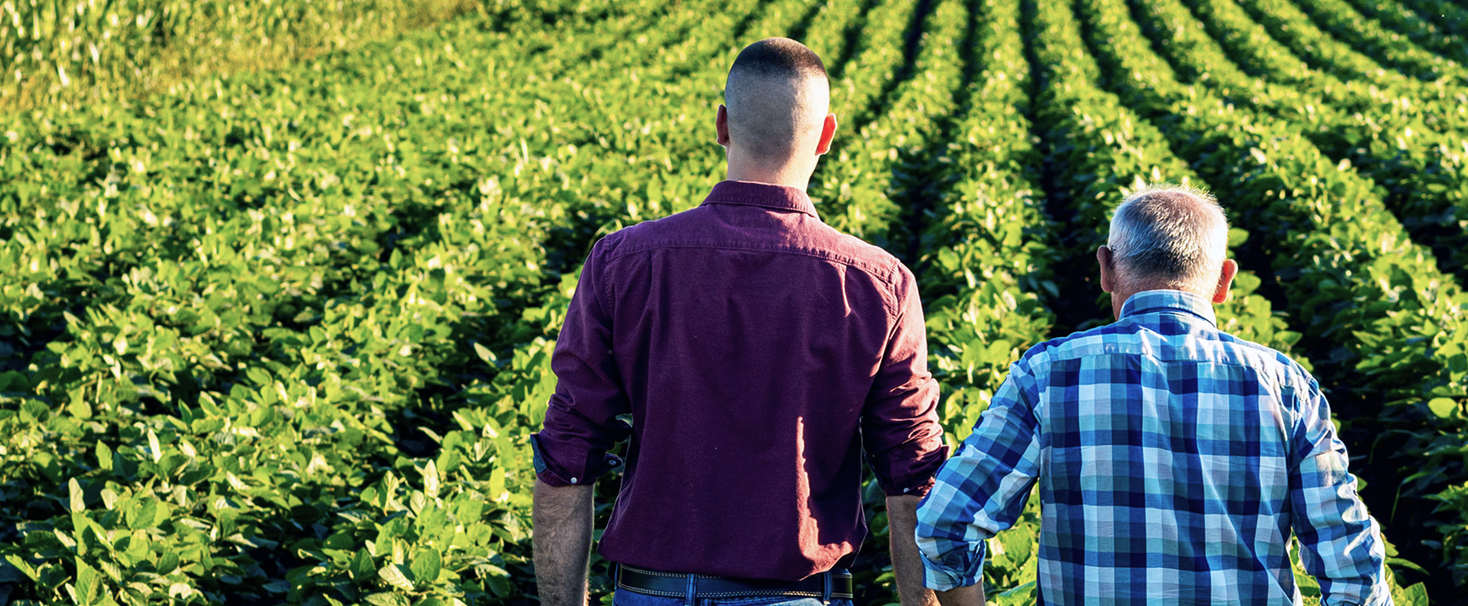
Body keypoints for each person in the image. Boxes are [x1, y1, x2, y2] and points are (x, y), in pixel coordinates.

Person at [533, 38, 949, 606]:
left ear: (722, 125)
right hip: (801, 597)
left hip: (649, 593)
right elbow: (912, 476)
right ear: (827, 135)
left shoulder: (623, 262)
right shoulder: (878, 283)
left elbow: (567, 457)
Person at [914, 186, 1396, 606]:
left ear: (1104, 267)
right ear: (1225, 279)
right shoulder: (1285, 385)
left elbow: (947, 522)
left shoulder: (1048, 373)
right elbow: (1352, 565)